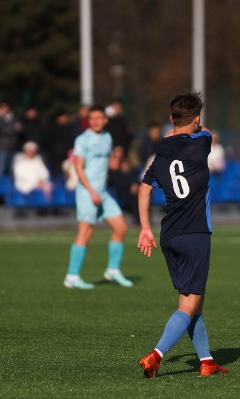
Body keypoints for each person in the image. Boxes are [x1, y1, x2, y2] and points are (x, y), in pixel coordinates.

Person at [137, 92, 228, 378]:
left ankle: (206, 361)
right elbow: (205, 131)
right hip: (195, 232)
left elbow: (144, 188)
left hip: (169, 234)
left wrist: (144, 228)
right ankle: (156, 355)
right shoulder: (202, 143)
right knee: (189, 303)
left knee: (190, 301)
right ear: (197, 119)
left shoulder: (161, 152)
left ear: (171, 119)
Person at [63, 105, 132, 289]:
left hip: (102, 193)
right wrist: (92, 192)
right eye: (92, 118)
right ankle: (71, 276)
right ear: (89, 121)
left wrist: (115, 162)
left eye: (98, 118)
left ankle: (113, 270)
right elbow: (78, 167)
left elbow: (106, 162)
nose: (95, 121)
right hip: (88, 193)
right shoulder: (83, 139)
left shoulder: (108, 138)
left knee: (121, 228)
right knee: (85, 232)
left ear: (105, 120)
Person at [0, 101, 22, 176]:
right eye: (3, 107)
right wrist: (12, 128)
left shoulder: (14, 118)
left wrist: (10, 129)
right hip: (2, 147)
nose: (5, 109)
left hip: (13, 146)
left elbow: (19, 129)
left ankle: (9, 186)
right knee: (1, 168)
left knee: (11, 169)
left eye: (7, 107)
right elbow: (3, 130)